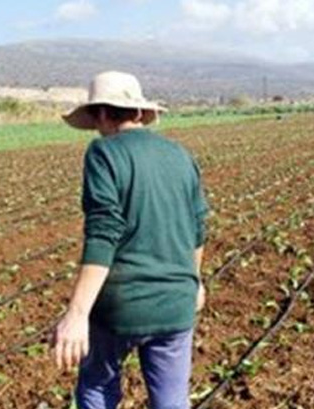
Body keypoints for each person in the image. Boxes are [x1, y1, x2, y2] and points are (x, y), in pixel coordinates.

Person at [53, 71, 208, 409]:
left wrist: (77, 314)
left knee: (97, 387)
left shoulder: (104, 153)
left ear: (102, 114)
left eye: (96, 117)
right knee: (171, 401)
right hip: (176, 301)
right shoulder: (181, 155)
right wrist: (194, 282)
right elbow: (198, 228)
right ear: (139, 112)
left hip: (121, 305)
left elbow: (103, 232)